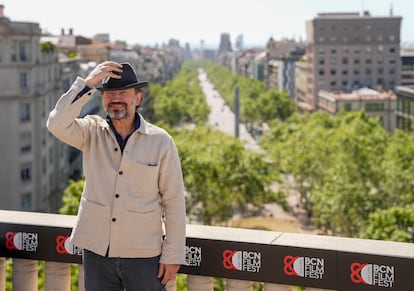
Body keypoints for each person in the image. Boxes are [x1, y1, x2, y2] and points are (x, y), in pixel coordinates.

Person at [47, 61, 186, 291]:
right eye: (110, 93)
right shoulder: (90, 132)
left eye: (123, 92)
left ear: (137, 98)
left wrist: (173, 254)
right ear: (102, 99)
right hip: (98, 254)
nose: (116, 98)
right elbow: (56, 123)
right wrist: (88, 83)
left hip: (145, 256)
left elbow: (174, 201)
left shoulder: (161, 141)